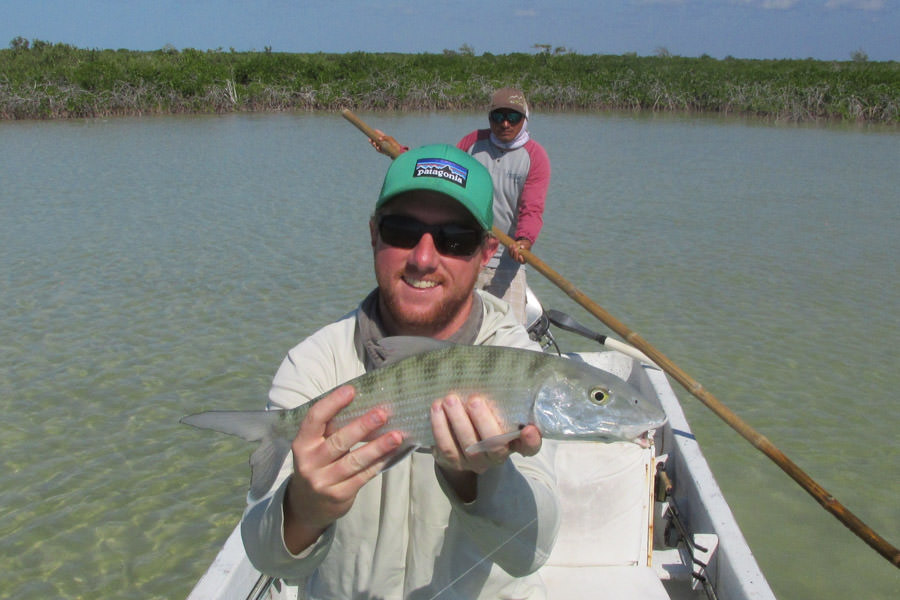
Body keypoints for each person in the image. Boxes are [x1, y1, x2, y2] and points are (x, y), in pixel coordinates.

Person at [241, 144, 560, 599]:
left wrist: (476, 481)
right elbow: (267, 559)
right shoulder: (314, 362)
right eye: (402, 230)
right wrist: (305, 509)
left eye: (455, 240)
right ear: (374, 234)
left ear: (487, 251)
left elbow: (529, 552)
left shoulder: (519, 361)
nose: (424, 259)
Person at [372, 87, 551, 324]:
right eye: (498, 116)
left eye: (513, 117)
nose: (505, 123)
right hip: (463, 251)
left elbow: (532, 208)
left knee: (510, 331)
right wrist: (401, 154)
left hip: (507, 259)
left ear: (525, 118)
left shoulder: (535, 157)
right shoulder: (473, 143)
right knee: (449, 324)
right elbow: (439, 172)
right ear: (489, 117)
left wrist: (525, 240)